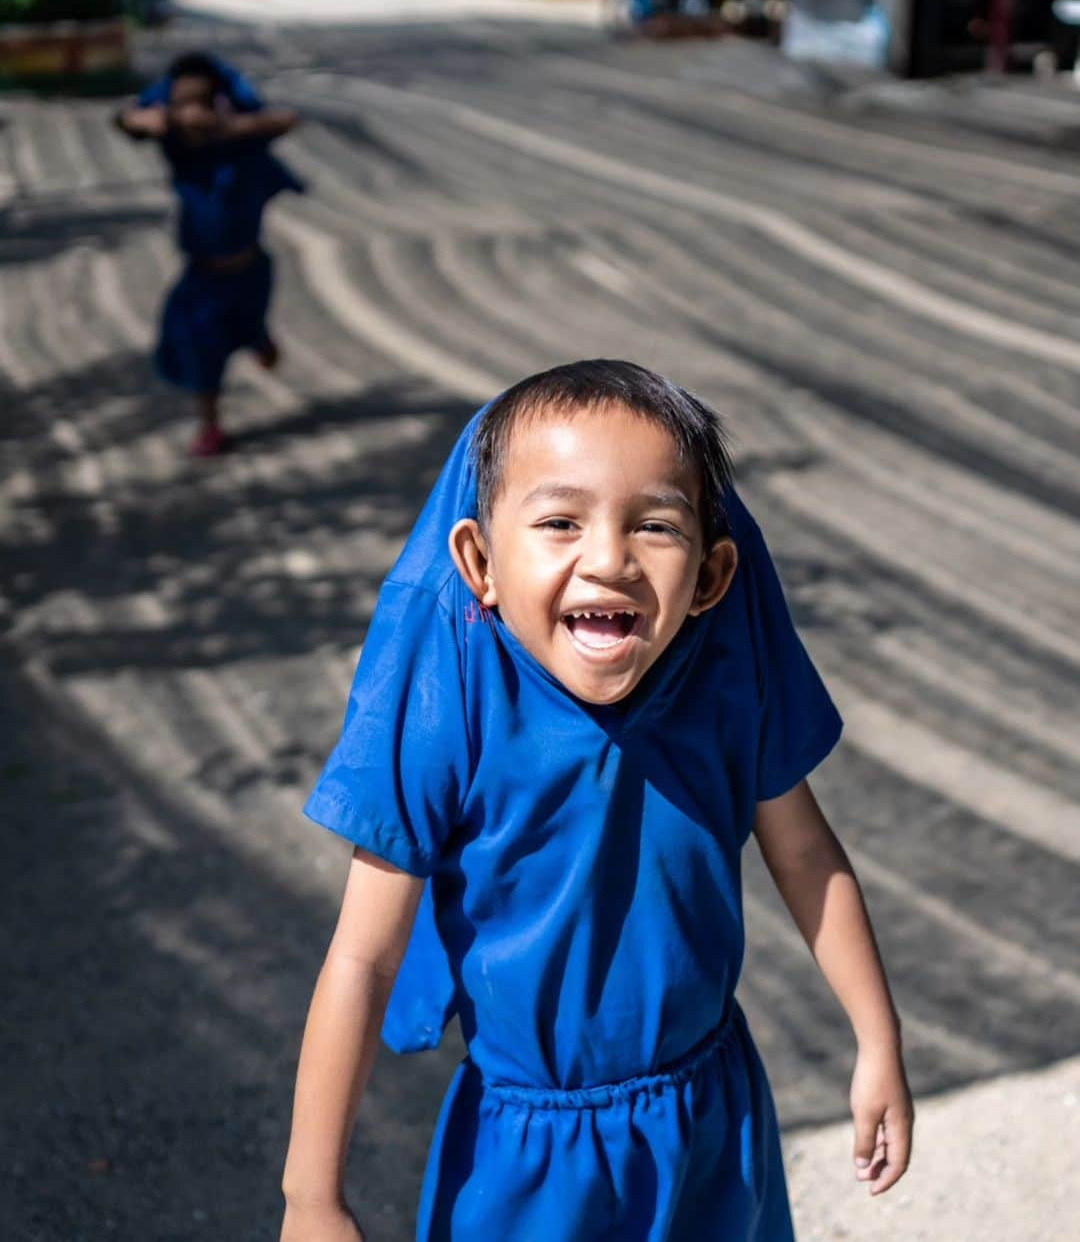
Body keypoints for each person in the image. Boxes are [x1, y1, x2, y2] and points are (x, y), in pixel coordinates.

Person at [280, 360, 914, 1241]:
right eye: (559, 521)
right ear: (478, 561)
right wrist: (311, 1198)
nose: (609, 558)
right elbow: (362, 960)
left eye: (654, 523)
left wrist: (878, 1038)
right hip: (529, 1164)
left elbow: (806, 854)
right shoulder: (454, 719)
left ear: (711, 575)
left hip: (712, 1125)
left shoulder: (720, 694)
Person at [114, 52, 303, 456]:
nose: (191, 112)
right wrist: (158, 120)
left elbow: (286, 119)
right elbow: (127, 120)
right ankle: (210, 425)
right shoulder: (178, 144)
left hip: (251, 272)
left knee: (247, 331)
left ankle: (258, 338)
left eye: (198, 102)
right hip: (203, 275)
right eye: (181, 103)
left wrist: (229, 126)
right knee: (197, 345)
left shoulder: (243, 140)